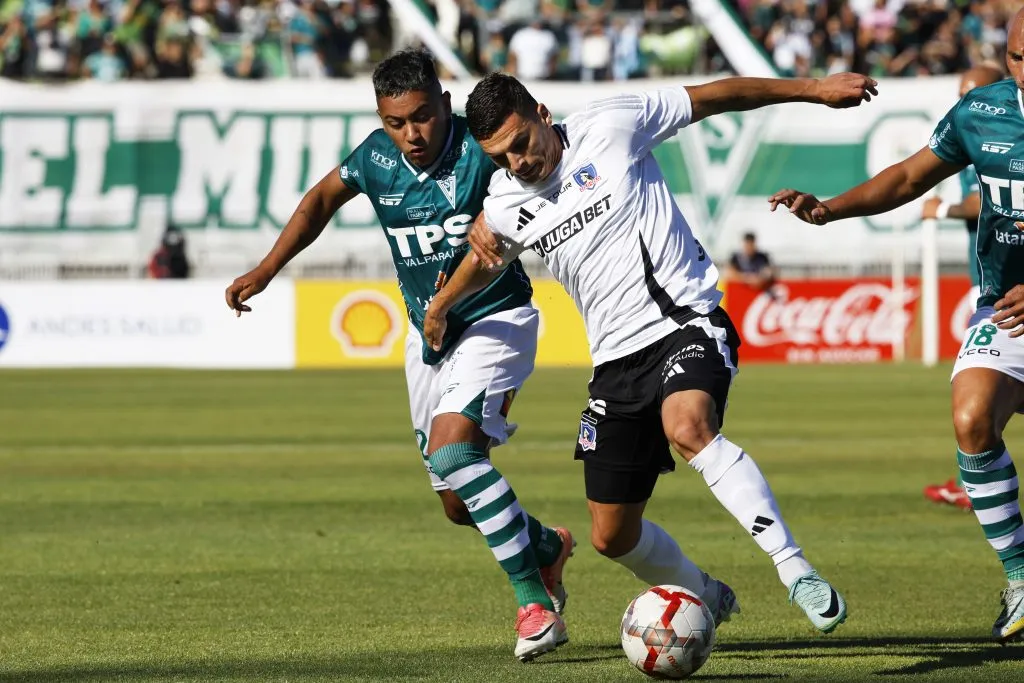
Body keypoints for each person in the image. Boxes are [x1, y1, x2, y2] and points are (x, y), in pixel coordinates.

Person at [425, 70, 878, 635]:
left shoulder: (612, 123)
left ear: (542, 113)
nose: (517, 162)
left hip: (684, 323)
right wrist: (442, 303)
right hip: (614, 363)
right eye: (500, 157)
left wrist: (813, 89)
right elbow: (486, 254)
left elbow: (715, 97)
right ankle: (707, 594)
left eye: (520, 143)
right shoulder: (506, 200)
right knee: (610, 536)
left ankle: (795, 569)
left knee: (687, 426)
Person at [224, 49, 574, 662]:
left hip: (497, 320)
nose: (411, 133)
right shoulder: (375, 158)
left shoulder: (482, 150)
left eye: (422, 116)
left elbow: (548, 180)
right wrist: (268, 267)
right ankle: (545, 547)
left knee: (455, 453)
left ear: (444, 103)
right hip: (428, 338)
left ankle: (535, 606)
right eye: (395, 122)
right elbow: (320, 200)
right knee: (456, 502)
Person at [768, 11, 1024, 641]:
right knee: (972, 417)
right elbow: (909, 177)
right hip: (1008, 308)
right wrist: (829, 210)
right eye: (1019, 57)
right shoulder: (982, 111)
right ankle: (1022, 577)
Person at [921, 65, 1005, 513]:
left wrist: (942, 209)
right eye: (959, 93)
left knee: (982, 393)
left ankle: (972, 484)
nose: (963, 102)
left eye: (970, 93)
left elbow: (981, 201)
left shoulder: (997, 137)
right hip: (991, 287)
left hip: (1003, 292)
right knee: (980, 399)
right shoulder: (974, 136)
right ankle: (971, 482)